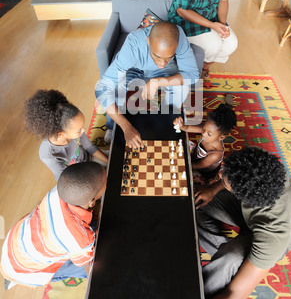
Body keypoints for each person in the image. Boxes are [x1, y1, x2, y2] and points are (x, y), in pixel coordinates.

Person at [194, 146, 291, 299]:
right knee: (195, 200)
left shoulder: (272, 237)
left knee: (231, 257)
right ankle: (224, 250)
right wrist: (213, 189)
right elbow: (233, 176)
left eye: (225, 182)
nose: (219, 176)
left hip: (273, 234)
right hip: (258, 212)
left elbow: (234, 296)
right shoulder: (262, 168)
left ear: (242, 195)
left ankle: (226, 261)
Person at [95, 21, 201, 149]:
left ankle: (168, 122)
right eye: (157, 56)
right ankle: (113, 126)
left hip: (161, 74)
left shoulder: (179, 37)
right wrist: (126, 127)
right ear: (148, 41)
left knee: (182, 88)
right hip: (133, 69)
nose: (162, 63)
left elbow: (193, 75)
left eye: (168, 57)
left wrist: (158, 81)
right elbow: (102, 88)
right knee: (116, 88)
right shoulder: (133, 44)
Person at [0, 162, 107, 288]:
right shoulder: (80, 239)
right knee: (98, 265)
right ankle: (15, 279)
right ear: (92, 202)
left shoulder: (63, 188)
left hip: (15, 240)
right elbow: (88, 265)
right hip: (23, 269)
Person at [24, 89, 108, 181]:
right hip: (77, 175)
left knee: (118, 160)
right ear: (61, 134)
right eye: (79, 130)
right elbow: (66, 179)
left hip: (88, 157)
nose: (83, 130)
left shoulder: (74, 129)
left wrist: (109, 162)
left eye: (82, 127)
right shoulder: (48, 155)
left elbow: (89, 147)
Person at [173, 102, 236, 181]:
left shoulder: (215, 154)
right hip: (196, 157)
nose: (203, 134)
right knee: (180, 142)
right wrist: (181, 125)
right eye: (203, 128)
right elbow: (187, 128)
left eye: (209, 134)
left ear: (222, 137)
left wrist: (180, 163)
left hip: (202, 172)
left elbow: (197, 165)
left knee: (183, 178)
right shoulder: (208, 130)